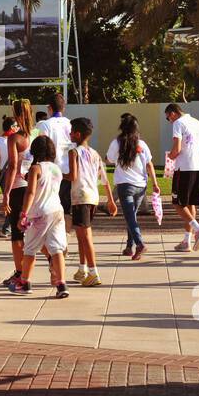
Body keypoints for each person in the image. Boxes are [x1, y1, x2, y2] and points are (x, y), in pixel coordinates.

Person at [13, 135, 69, 297]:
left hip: (38, 214)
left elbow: (30, 193)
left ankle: (25, 282)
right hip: (57, 211)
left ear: (35, 151)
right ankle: (61, 284)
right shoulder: (56, 169)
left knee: (30, 249)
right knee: (56, 249)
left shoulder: (35, 169)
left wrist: (23, 214)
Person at [69, 117, 116, 286]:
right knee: (82, 235)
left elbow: (72, 176)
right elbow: (104, 179)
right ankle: (83, 269)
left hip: (80, 197)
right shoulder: (95, 154)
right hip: (92, 197)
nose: (70, 134)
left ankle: (93, 271)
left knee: (85, 236)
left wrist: (57, 174)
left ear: (78, 134)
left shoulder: (73, 152)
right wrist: (110, 200)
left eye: (72, 131)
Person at [108, 113, 158, 260]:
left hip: (125, 185)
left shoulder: (116, 143)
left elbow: (109, 159)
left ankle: (140, 244)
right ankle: (129, 247)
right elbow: (149, 164)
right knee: (132, 216)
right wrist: (155, 183)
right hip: (141, 186)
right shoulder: (142, 144)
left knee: (130, 217)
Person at [1, 99, 37, 291]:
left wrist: (5, 193)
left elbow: (13, 166)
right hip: (34, 186)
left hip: (17, 188)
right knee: (34, 230)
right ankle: (52, 263)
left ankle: (20, 273)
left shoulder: (14, 138)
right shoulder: (38, 134)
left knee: (17, 233)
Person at [164, 103, 199, 251]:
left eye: (167, 118)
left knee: (178, 203)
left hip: (184, 168)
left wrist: (170, 156)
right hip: (198, 167)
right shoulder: (198, 123)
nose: (168, 121)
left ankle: (198, 229)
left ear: (173, 113)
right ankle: (186, 241)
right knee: (190, 204)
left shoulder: (178, 123)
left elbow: (176, 149)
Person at [36, 93, 74, 228]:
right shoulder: (70, 123)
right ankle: (65, 237)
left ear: (49, 108)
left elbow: (40, 147)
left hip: (52, 171)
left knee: (50, 204)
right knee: (66, 207)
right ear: (63, 108)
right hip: (69, 171)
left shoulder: (45, 125)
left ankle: (52, 235)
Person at [0, 116, 16, 236]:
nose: (17, 128)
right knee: (13, 201)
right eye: (16, 126)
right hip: (13, 172)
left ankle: (8, 227)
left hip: (2, 173)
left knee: (10, 201)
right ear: (11, 127)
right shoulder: (16, 140)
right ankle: (7, 227)